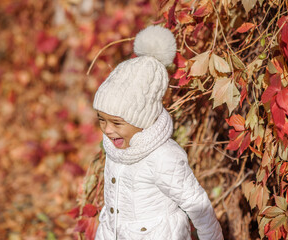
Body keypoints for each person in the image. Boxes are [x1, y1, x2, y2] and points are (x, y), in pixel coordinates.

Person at [92, 25, 223, 240]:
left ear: (141, 119)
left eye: (116, 123)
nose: (107, 130)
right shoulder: (116, 148)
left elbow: (196, 202)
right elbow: (113, 213)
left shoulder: (163, 156)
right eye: (101, 120)